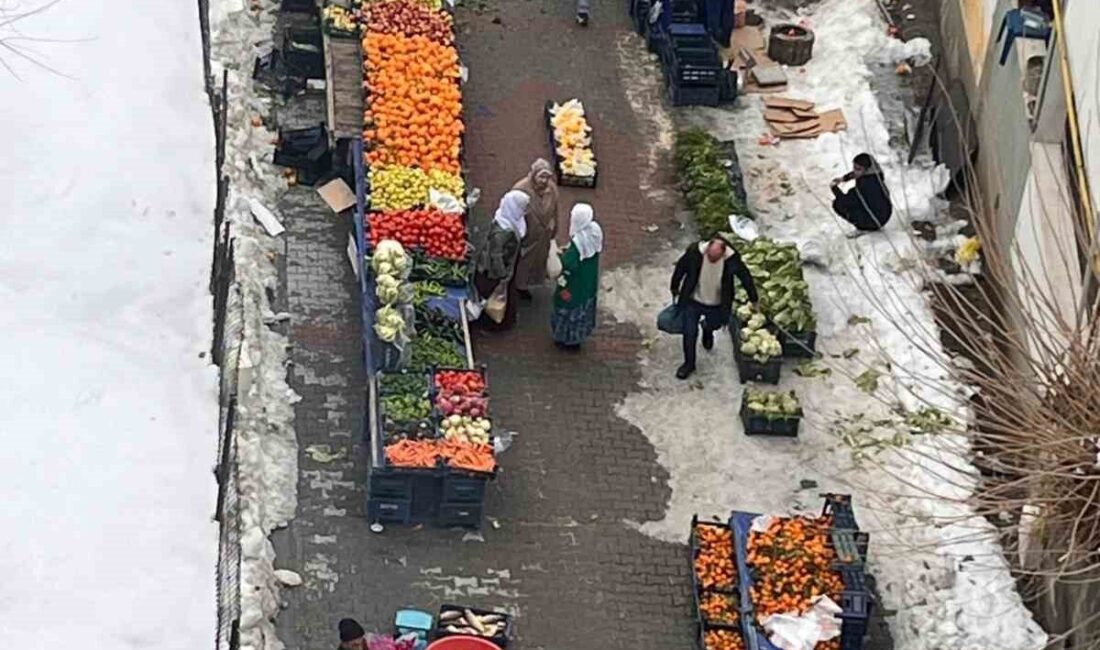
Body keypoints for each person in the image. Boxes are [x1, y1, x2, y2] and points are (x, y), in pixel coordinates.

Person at [670, 237, 759, 380]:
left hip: (717, 303)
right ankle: (689, 364)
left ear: (723, 254)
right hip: (693, 300)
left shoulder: (732, 260)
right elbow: (681, 268)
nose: (711, 260)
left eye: (715, 258)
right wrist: (674, 287)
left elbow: (745, 277)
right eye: (709, 256)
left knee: (715, 323)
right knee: (689, 333)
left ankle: (707, 328)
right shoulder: (695, 253)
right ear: (707, 249)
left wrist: (754, 299)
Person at [473, 190, 528, 331]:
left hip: (507, 264)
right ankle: (492, 324)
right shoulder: (502, 232)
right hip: (496, 271)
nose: (525, 210)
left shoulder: (506, 217)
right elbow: (495, 256)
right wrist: (502, 275)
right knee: (493, 296)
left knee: (502, 294)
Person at [551, 203, 603, 348]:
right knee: (583, 309)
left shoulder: (578, 243)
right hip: (588, 281)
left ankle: (564, 339)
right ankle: (577, 340)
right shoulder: (594, 231)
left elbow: (568, 264)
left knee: (567, 310)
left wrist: (558, 256)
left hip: (573, 285)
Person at [512, 158, 560, 300]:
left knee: (536, 262)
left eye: (547, 177)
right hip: (526, 236)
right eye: (541, 177)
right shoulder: (520, 189)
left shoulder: (552, 189)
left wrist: (554, 228)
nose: (544, 181)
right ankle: (518, 286)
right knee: (522, 262)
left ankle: (528, 283)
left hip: (542, 236)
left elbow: (555, 210)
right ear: (533, 175)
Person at [829, 153, 893, 232]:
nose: (855, 171)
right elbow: (857, 174)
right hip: (885, 214)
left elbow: (846, 200)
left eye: (858, 169)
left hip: (875, 221)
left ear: (867, 169)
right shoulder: (876, 176)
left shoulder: (864, 185)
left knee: (838, 204)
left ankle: (864, 228)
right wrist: (844, 178)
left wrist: (834, 188)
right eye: (854, 168)